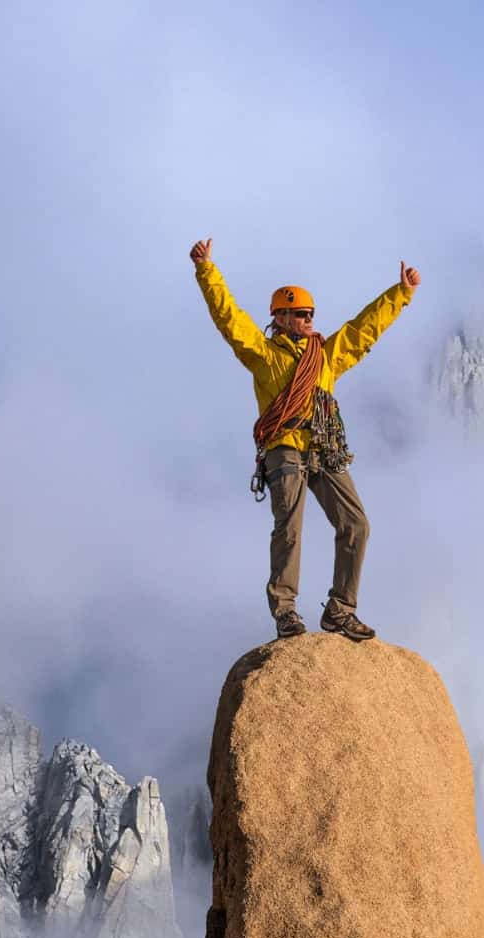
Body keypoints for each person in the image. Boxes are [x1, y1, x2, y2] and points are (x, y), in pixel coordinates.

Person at [190, 238, 420, 641]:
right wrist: (207, 270)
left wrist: (400, 293)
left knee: (356, 523)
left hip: (324, 447)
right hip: (285, 448)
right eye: (299, 313)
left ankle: (340, 609)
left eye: (311, 312)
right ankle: (286, 612)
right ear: (279, 317)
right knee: (290, 528)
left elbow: (363, 329)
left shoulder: (324, 354)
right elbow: (229, 318)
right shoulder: (263, 353)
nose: (309, 318)